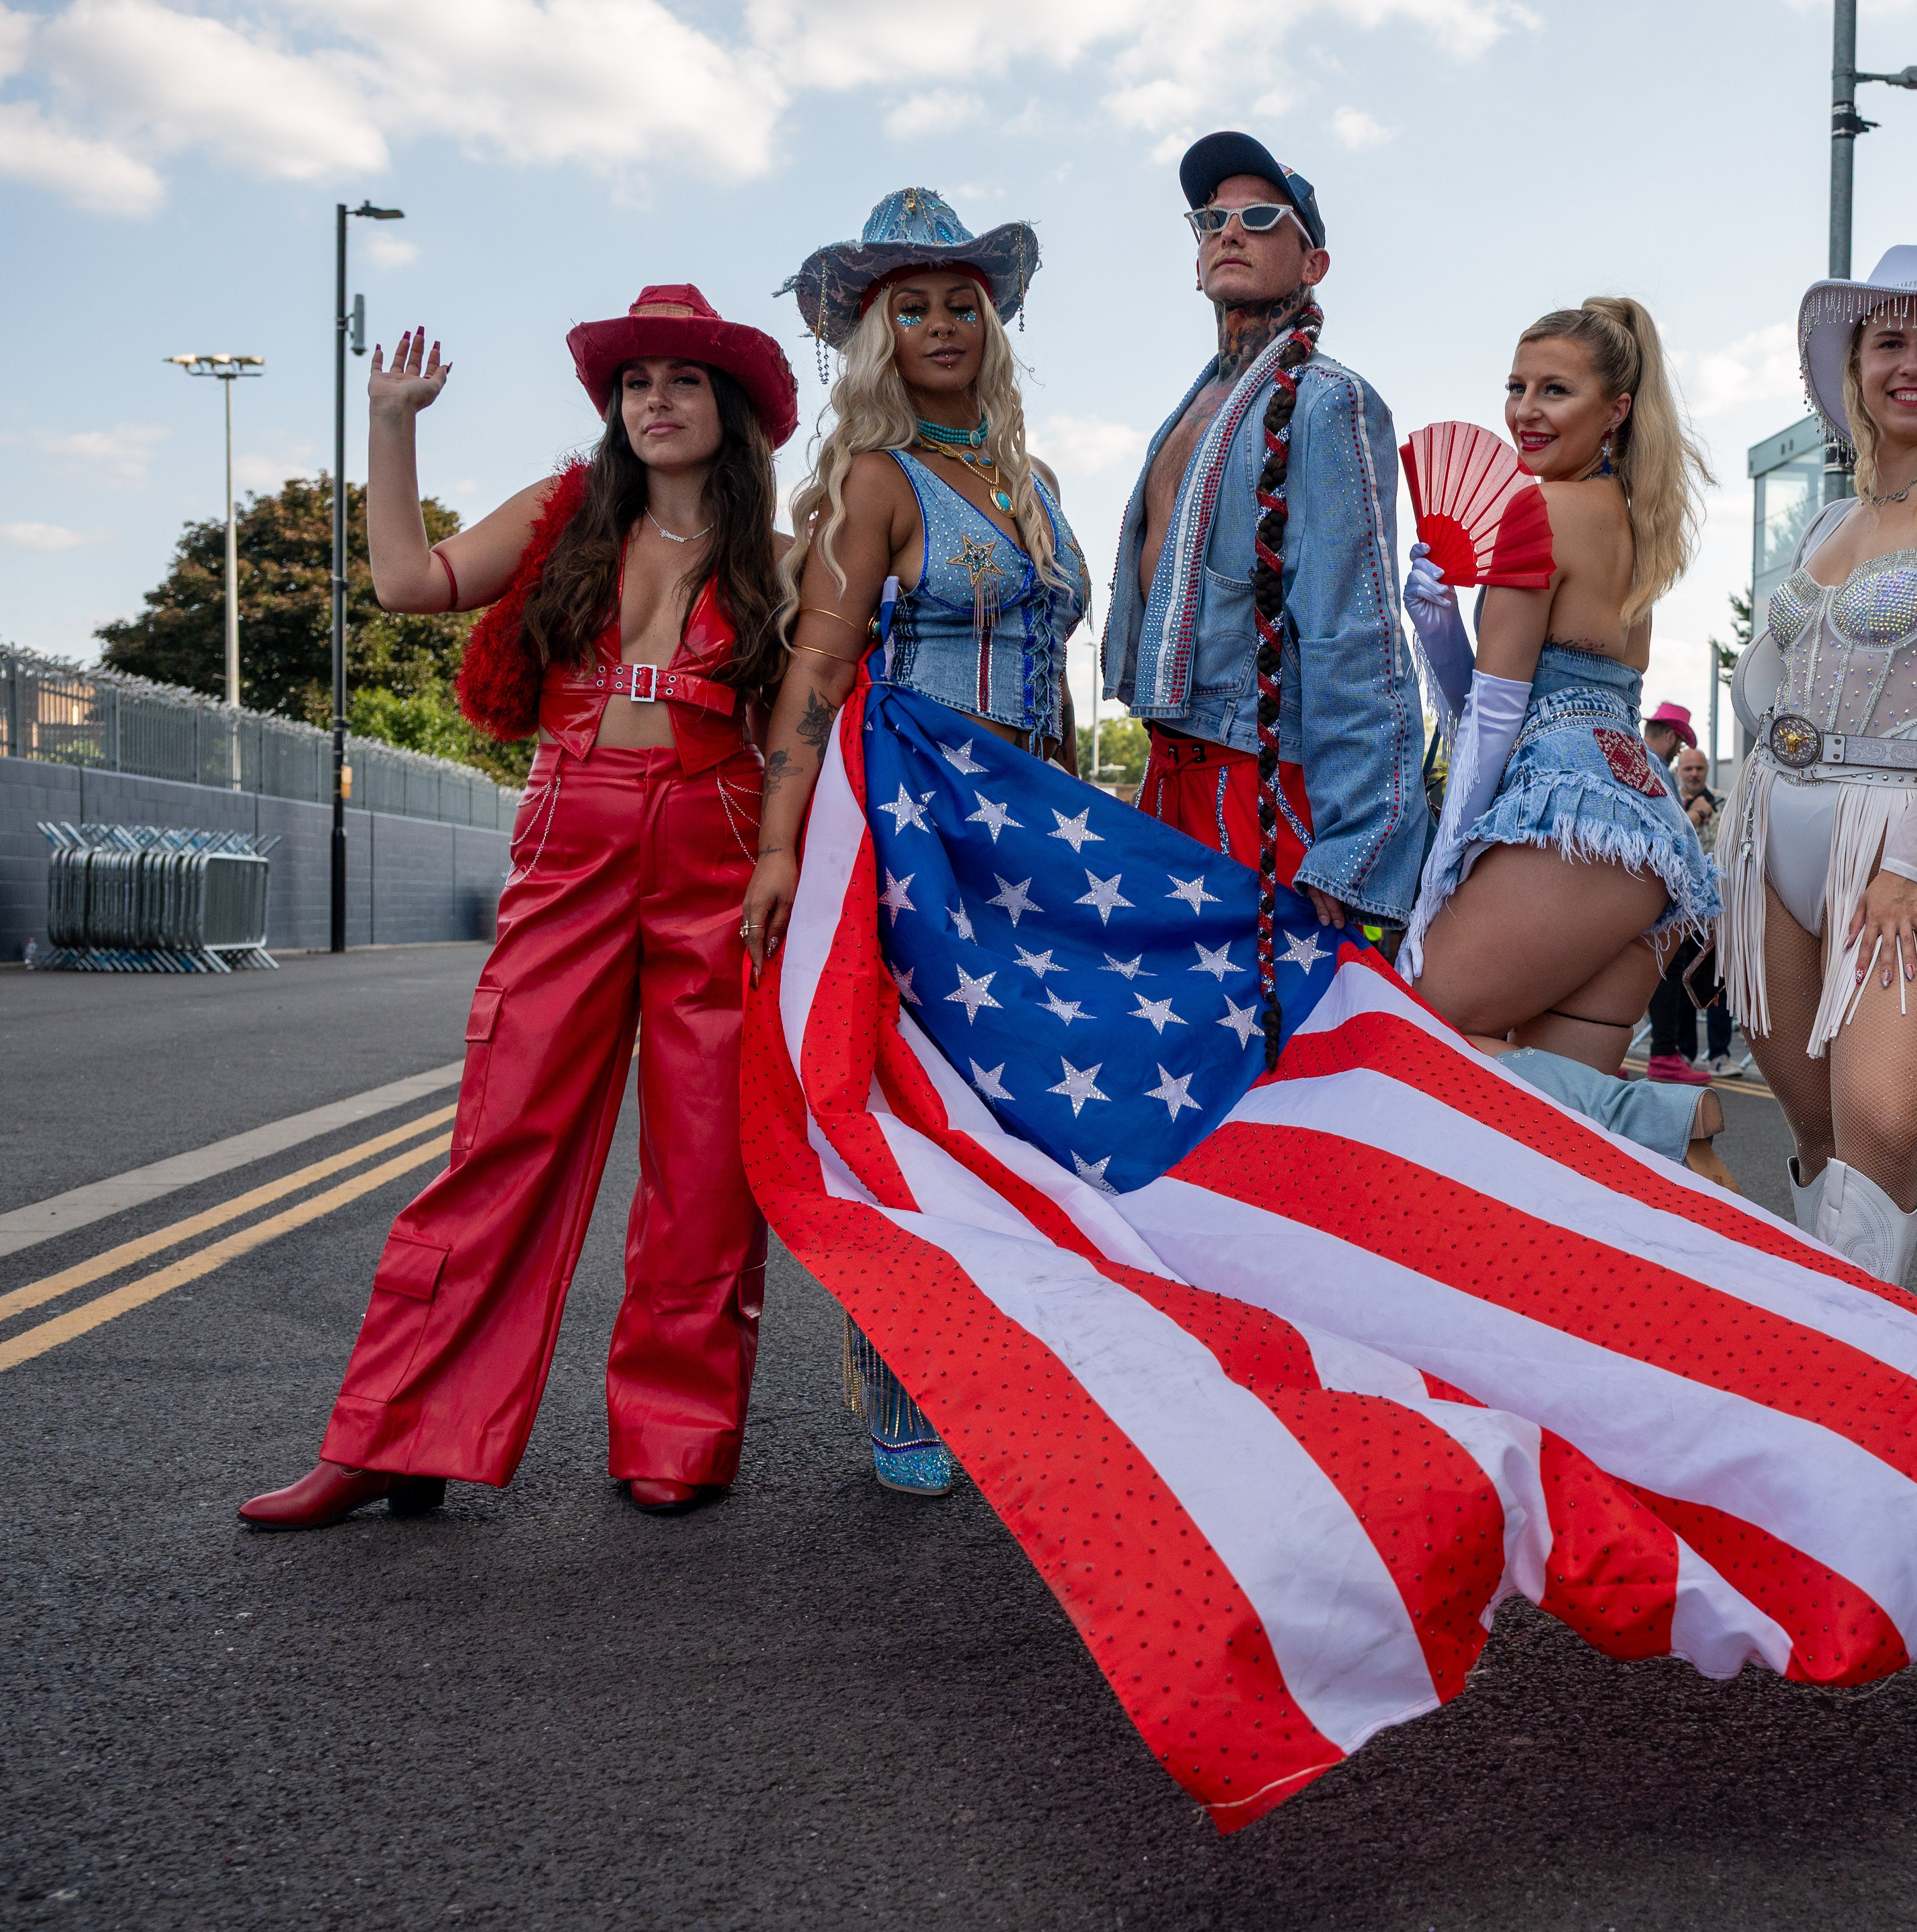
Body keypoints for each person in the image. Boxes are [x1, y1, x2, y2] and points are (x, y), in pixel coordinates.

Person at [240, 287, 799, 1527]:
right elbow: (405, 581)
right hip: (572, 833)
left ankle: (679, 1434)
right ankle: (397, 1435)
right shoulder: (566, 516)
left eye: (684, 381)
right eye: (636, 382)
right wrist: (391, 422)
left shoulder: (785, 550)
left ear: (733, 411)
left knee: (705, 1158)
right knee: (503, 1137)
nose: (655, 400)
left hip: (719, 841)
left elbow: (805, 733)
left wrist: (778, 858)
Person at [741, 191, 1084, 1493]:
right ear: (877, 337)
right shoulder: (876, 481)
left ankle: (1020, 1357)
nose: (943, 323)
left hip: (1036, 830)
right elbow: (817, 670)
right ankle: (903, 1379)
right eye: (914, 308)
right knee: (909, 1102)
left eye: (962, 303)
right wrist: (781, 849)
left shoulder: (1034, 483)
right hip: (916, 828)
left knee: (1020, 1098)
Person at [1717, 245, 1917, 1280]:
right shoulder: (1828, 515)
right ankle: (1825, 1371)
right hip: (1774, 831)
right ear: (1853, 365)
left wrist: (1908, 864)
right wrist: (1755, 787)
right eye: (1889, 341)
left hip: (1892, 835)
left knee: (1884, 1127)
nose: (1913, 364)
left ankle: (1855, 1389)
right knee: (1816, 1130)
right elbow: (1754, 673)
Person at [1396, 298, 1730, 1180]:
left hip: (1567, 823)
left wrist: (1443, 874)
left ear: (1615, 408)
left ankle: (1644, 1113)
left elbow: (1497, 714)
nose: (1525, 411)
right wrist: (1436, 628)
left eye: (1555, 390)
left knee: (1403, 1037)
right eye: (1516, 387)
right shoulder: (1635, 523)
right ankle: (1665, 1148)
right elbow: (1556, 692)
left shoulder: (1535, 508)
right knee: (1544, 1159)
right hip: (1648, 842)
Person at [1102, 131, 1427, 988]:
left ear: (1312, 261)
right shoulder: (1189, 412)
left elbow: (1356, 630)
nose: (1229, 231)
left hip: (1264, 789)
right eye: (1211, 219)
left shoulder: (1328, 403)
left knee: (1280, 1061)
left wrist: (1361, 843)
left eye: (1258, 216)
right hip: (1172, 776)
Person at [1647, 742, 1733, 1082]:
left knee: (1716, 983)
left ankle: (1720, 1055)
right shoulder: (1668, 804)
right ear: (1679, 772)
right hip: (1681, 907)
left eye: (1699, 769)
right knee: (1679, 982)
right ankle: (1680, 1053)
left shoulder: (1724, 802)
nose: (1694, 774)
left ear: (1707, 770)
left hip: (1717, 905)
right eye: (1688, 769)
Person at [1643, 701, 1696, 788]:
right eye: (1681, 744)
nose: (1679, 752)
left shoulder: (1634, 762)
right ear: (1671, 737)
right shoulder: (1660, 772)